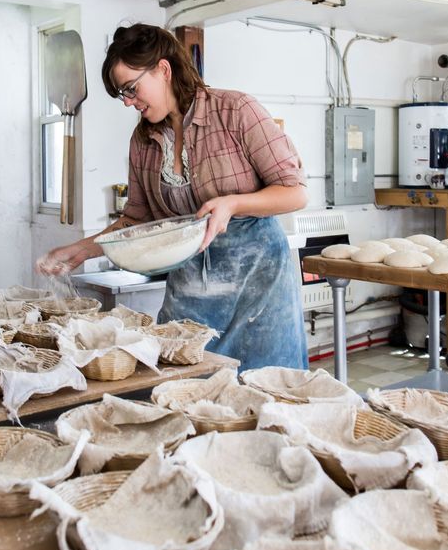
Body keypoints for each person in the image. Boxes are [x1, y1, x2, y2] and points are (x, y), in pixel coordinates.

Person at [37, 23, 309, 370]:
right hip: (191, 287)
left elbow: (295, 191)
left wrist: (235, 203)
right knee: (183, 386)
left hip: (259, 287)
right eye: (122, 94)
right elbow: (136, 218)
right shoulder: (143, 141)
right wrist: (83, 249)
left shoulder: (236, 111)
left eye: (131, 89)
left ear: (163, 70)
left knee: (265, 390)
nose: (128, 102)